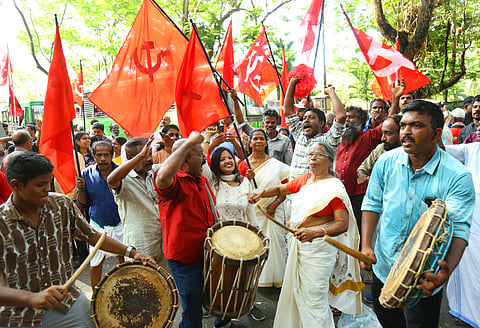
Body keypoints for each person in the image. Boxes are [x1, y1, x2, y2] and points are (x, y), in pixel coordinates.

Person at [0, 151, 155, 328]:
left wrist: (132, 253)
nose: (48, 189)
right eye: (40, 185)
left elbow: (93, 236)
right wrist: (33, 297)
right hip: (18, 314)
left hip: (67, 303)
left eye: (49, 182)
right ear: (16, 185)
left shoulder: (61, 205)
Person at [361, 100, 475, 328]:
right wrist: (366, 245)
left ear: (436, 134)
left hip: (425, 276)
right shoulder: (385, 162)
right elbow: (372, 203)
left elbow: (460, 229)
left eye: (416, 126)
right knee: (388, 322)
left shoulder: (458, 176)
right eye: (403, 125)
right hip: (384, 266)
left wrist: (446, 272)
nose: (406, 132)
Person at [249, 141, 362, 328]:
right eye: (310, 155)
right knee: (298, 291)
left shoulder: (333, 187)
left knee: (315, 297)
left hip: (319, 249)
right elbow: (280, 189)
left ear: (330, 161)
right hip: (299, 245)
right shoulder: (304, 180)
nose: (313, 158)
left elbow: (343, 224)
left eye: (318, 155)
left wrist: (315, 233)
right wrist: (260, 193)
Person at [155, 132, 215, 328]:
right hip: (184, 258)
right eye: (199, 153)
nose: (204, 158)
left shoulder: (202, 180)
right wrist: (188, 142)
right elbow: (163, 176)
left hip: (205, 253)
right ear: (184, 160)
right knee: (192, 309)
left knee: (209, 299)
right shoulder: (174, 182)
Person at [238, 129, 290, 290]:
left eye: (262, 138)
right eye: (255, 139)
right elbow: (238, 188)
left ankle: (277, 279)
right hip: (253, 211)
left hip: (273, 210)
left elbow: (286, 188)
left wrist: (274, 205)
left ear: (266, 143)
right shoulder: (243, 165)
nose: (258, 141)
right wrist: (247, 178)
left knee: (275, 243)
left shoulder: (276, 166)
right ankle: (258, 278)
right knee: (254, 243)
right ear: (250, 142)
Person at [107, 136, 167, 268]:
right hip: (141, 248)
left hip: (164, 244)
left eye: (150, 154)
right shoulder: (124, 178)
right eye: (145, 155)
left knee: (167, 285)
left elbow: (178, 165)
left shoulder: (155, 171)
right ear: (130, 157)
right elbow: (111, 180)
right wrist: (139, 157)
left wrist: (170, 147)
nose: (150, 159)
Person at [76, 141, 124, 288]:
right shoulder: (86, 173)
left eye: (106, 155)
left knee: (126, 258)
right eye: (99, 155)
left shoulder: (121, 171)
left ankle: (128, 286)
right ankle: (96, 295)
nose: (102, 159)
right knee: (96, 262)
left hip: (121, 221)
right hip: (97, 223)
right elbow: (82, 203)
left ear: (111, 155)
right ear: (94, 156)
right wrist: (82, 189)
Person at [445, 139, 480, 328]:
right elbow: (440, 150)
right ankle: (465, 314)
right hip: (471, 229)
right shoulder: (472, 149)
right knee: (468, 275)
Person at [284, 79, 346, 180]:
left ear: (321, 123)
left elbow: (341, 117)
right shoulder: (299, 135)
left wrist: (331, 92)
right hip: (294, 194)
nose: (306, 120)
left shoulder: (327, 141)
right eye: (304, 118)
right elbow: (288, 111)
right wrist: (292, 83)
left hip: (316, 193)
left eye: (311, 118)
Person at [232, 90, 293, 165]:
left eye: (273, 122)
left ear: (277, 123)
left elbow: (288, 163)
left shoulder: (285, 141)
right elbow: (241, 121)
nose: (270, 125)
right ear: (263, 123)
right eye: (267, 122)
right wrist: (235, 100)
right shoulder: (257, 135)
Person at [209, 147, 256, 224]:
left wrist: (256, 230)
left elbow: (251, 211)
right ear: (216, 163)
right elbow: (203, 164)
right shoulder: (212, 181)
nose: (228, 161)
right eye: (222, 159)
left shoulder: (245, 182)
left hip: (240, 232)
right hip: (218, 232)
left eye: (230, 158)